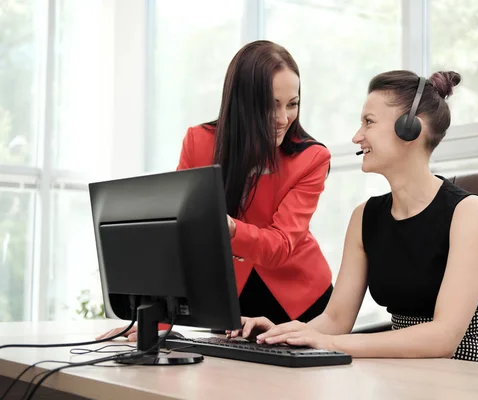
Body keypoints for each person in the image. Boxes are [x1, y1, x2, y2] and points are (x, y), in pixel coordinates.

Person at [229, 70, 478, 363]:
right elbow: (335, 318)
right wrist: (284, 334)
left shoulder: (470, 213)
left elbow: (443, 338)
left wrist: (328, 342)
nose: (357, 136)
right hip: (400, 372)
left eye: (368, 122)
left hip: (464, 372)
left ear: (410, 129)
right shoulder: (364, 218)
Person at [97, 40, 333, 342]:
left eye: (292, 104)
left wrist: (231, 229)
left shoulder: (311, 158)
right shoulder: (199, 143)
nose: (283, 118)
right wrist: (151, 324)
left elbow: (281, 245)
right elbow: (175, 242)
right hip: (229, 299)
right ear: (243, 100)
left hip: (301, 301)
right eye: (271, 104)